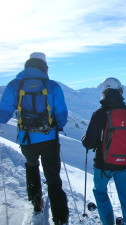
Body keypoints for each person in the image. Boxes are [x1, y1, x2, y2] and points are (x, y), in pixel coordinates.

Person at [0, 52, 69, 224]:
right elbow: (61, 114)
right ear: (44, 66)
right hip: (49, 138)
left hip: (27, 139)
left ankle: (36, 202)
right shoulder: (52, 86)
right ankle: (60, 217)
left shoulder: (15, 84)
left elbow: (4, 113)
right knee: (53, 178)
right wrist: (58, 125)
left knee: (31, 166)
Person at [81, 77, 126, 225]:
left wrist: (89, 141)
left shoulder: (99, 113)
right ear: (120, 91)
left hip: (103, 165)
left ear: (104, 92)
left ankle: (107, 222)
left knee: (100, 193)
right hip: (125, 165)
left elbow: (88, 143)